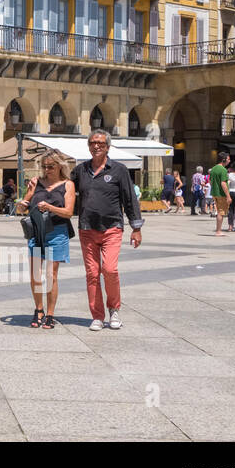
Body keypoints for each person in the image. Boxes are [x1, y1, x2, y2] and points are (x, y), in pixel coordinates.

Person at [63, 130, 142, 331]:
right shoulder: (80, 170)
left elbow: (129, 199)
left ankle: (114, 310)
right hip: (87, 228)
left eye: (100, 143)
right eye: (92, 143)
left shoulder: (119, 170)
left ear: (108, 146)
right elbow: (64, 188)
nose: (96, 146)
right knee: (91, 273)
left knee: (109, 269)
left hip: (112, 228)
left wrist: (136, 227)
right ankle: (97, 315)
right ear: (88, 146)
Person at [17, 150, 76, 330]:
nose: (47, 169)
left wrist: (49, 207)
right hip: (36, 232)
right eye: (44, 166)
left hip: (57, 232)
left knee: (51, 275)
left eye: (51, 166)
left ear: (60, 166)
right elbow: (21, 208)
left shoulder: (68, 185)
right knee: (35, 275)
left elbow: (68, 212)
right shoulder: (36, 183)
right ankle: (39, 309)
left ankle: (50, 313)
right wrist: (21, 203)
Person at [209, 152, 231, 236]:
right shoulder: (223, 170)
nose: (229, 161)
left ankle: (218, 230)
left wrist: (215, 187)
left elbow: (210, 181)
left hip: (214, 193)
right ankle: (218, 231)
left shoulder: (213, 169)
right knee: (221, 212)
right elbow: (223, 183)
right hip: (221, 194)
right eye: (228, 159)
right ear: (224, 159)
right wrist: (228, 196)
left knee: (219, 211)